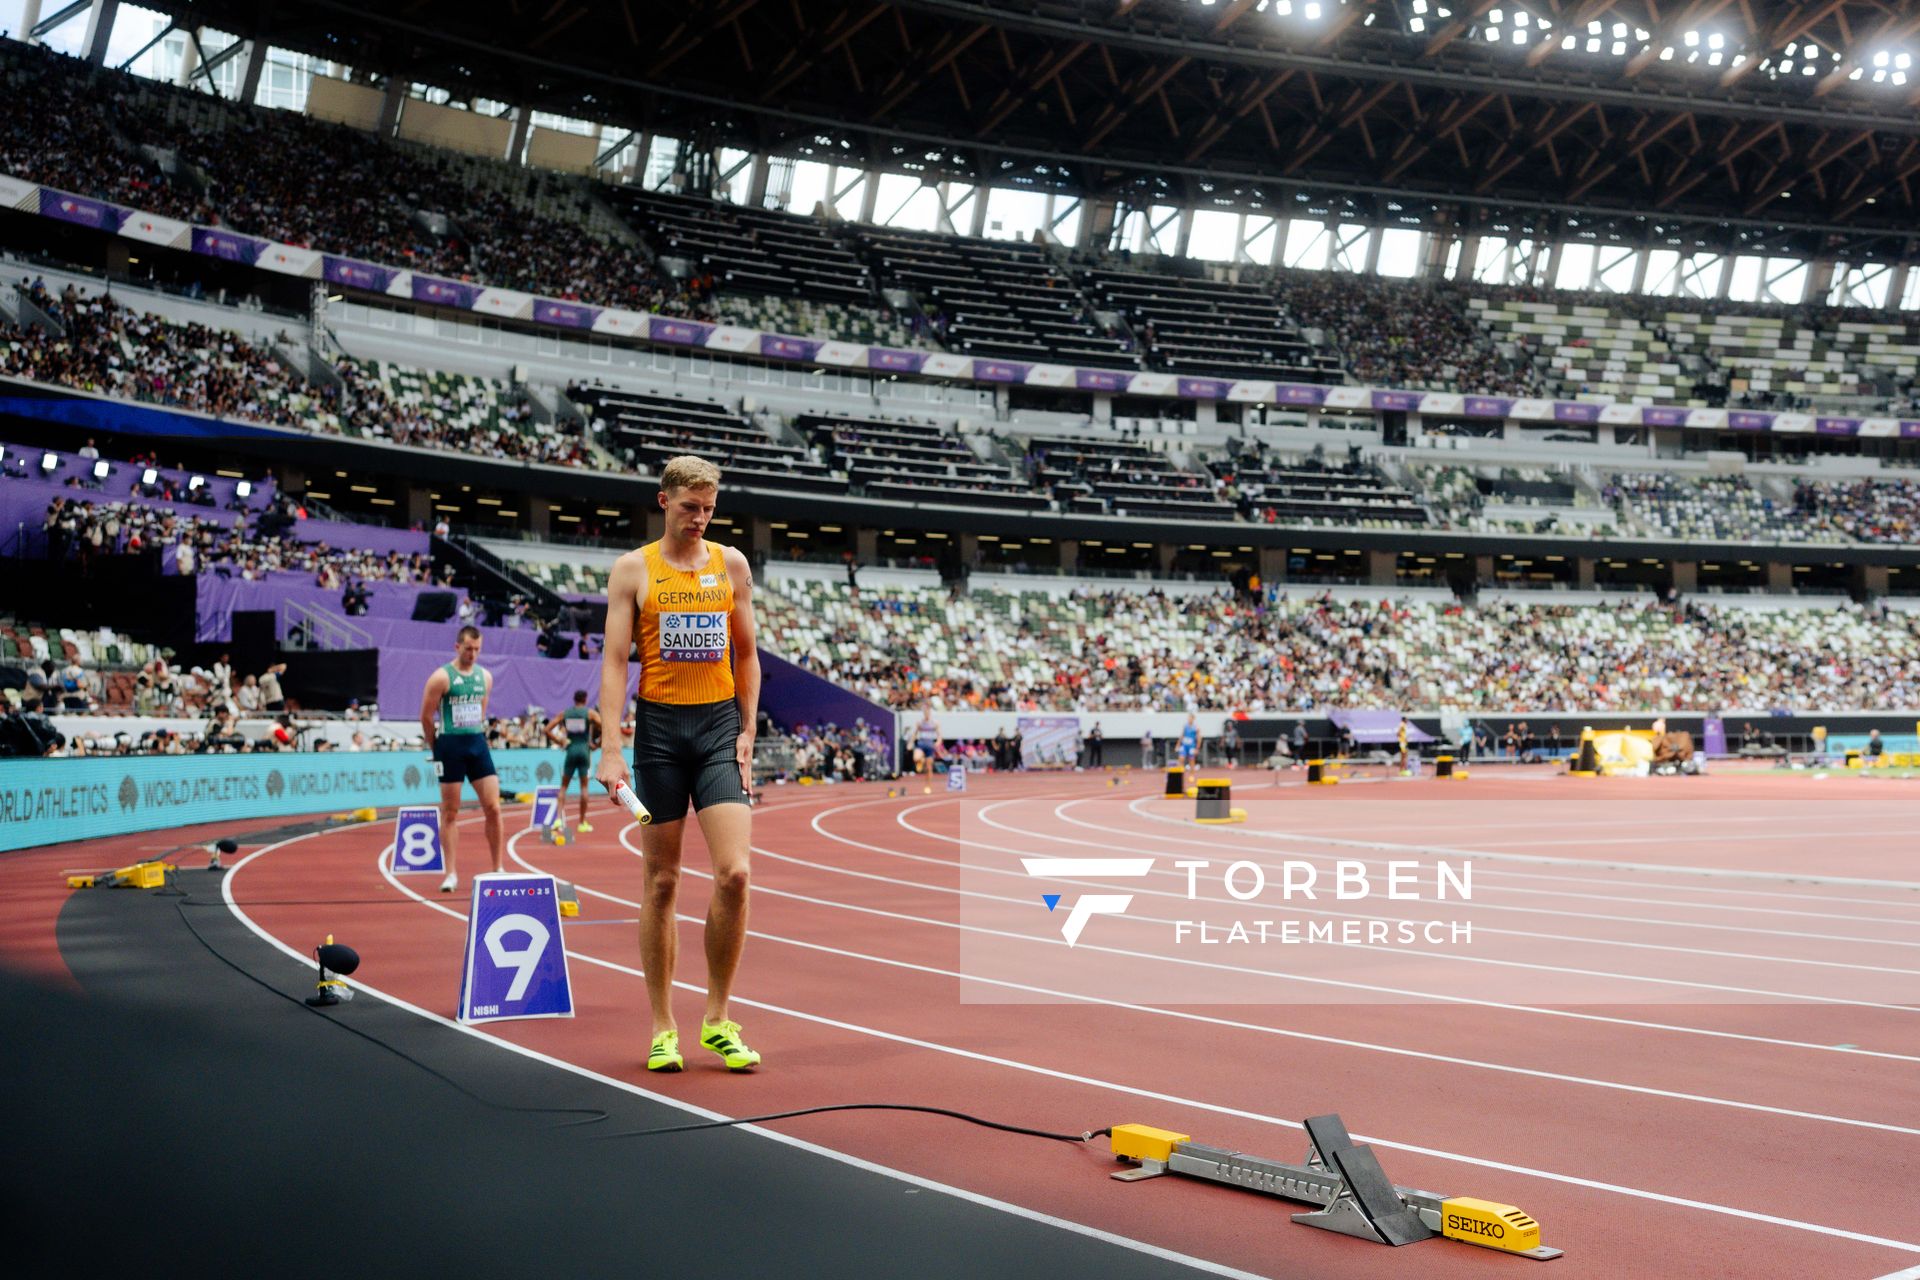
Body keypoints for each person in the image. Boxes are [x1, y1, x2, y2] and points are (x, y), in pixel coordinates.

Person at [596, 456, 762, 1075]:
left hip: (718, 731)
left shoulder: (732, 565)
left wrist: (748, 729)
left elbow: (747, 654)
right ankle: (663, 1026)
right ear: (663, 501)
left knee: (736, 873)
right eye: (691, 507)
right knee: (662, 882)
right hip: (659, 735)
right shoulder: (634, 569)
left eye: (710, 508)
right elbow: (615, 661)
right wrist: (612, 746)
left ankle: (718, 1017)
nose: (701, 518)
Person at [419, 626, 504, 893]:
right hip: (449, 746)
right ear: (457, 647)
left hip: (477, 743)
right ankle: (451, 873)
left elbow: (481, 708)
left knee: (494, 807)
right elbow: (426, 716)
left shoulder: (485, 677)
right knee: (451, 811)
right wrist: (437, 747)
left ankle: (497, 867)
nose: (473, 653)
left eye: (477, 649)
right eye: (468, 648)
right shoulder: (441, 677)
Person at [545, 690, 602, 831]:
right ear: (585, 699)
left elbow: (546, 730)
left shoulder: (565, 713)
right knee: (584, 787)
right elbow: (607, 728)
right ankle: (582, 822)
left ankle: (558, 820)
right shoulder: (590, 713)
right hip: (584, 751)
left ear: (574, 699)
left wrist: (559, 741)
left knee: (563, 786)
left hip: (570, 750)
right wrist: (597, 745)